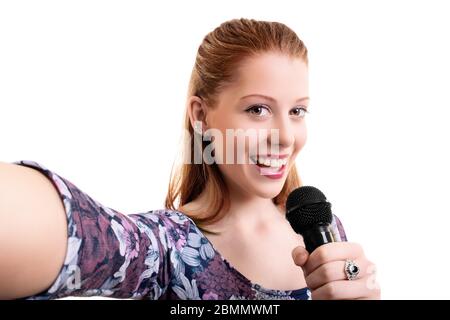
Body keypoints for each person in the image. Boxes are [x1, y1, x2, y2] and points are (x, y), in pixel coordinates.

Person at [0, 18, 380, 300]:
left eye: (297, 111)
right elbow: (81, 235)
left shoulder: (327, 231)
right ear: (201, 116)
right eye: (258, 110)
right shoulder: (168, 247)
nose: (284, 136)